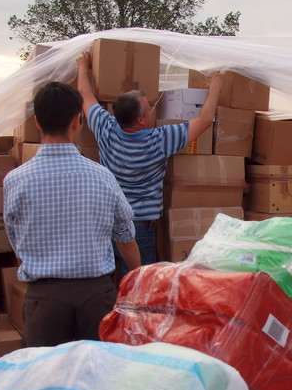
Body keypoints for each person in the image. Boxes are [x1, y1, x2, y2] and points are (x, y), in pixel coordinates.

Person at [3, 80, 141, 347]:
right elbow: (125, 236)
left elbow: (16, 240)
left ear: (37, 122)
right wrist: (138, 277)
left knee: (47, 378)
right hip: (96, 297)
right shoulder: (102, 176)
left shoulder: (15, 180)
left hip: (45, 299)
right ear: (78, 120)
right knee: (97, 377)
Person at [75, 51, 224, 269]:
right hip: (139, 230)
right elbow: (205, 120)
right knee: (140, 288)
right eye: (148, 108)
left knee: (109, 283)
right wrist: (216, 87)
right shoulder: (159, 140)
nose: (152, 109)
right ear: (141, 120)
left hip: (106, 223)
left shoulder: (105, 128)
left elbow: (84, 94)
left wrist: (82, 66)